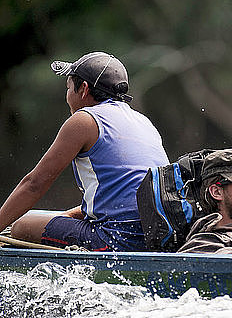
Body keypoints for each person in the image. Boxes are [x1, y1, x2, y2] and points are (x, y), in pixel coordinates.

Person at [0, 51, 169, 251]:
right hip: (158, 236)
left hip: (117, 240)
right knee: (44, 218)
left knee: (21, 226)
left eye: (69, 87)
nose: (68, 95)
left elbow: (34, 184)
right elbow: (127, 195)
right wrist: (69, 216)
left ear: (84, 90)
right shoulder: (143, 121)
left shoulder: (84, 120)